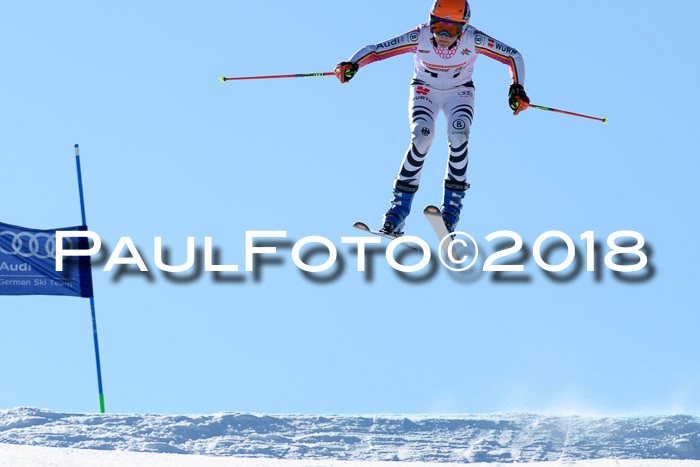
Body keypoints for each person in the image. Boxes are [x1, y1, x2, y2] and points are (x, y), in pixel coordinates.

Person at [335, 0, 530, 235]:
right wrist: (352, 64)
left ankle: (451, 213)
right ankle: (397, 213)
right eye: (438, 27)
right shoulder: (420, 36)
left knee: (459, 137)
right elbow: (376, 50)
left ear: (464, 27)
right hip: (425, 90)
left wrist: (517, 87)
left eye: (453, 29)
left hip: (460, 92)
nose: (444, 35)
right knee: (421, 138)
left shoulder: (473, 39)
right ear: (430, 22)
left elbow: (512, 55)